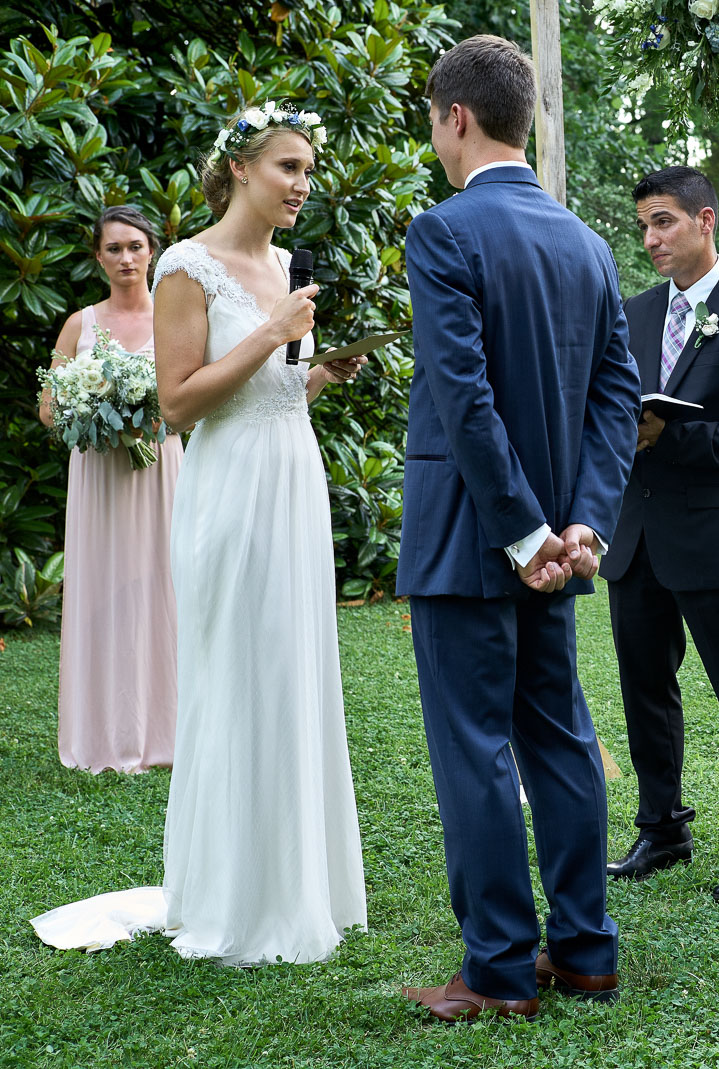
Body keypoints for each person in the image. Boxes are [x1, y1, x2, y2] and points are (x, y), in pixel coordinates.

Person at [397, 35, 639, 1023]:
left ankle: (497, 969)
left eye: (432, 119)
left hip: (471, 539)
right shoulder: (588, 243)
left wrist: (524, 532)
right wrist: (583, 523)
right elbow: (616, 397)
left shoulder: (442, 231)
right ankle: (585, 951)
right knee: (560, 737)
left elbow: (463, 399)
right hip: (558, 547)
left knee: (475, 749)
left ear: (456, 117)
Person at [149, 100, 368, 964]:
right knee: (238, 668)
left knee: (290, 666)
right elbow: (179, 404)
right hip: (229, 487)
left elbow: (272, 389)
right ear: (239, 168)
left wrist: (321, 374)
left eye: (309, 170)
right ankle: (232, 896)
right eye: (289, 167)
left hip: (293, 478)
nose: (302, 184)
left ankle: (297, 885)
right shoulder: (184, 266)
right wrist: (274, 331)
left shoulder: (286, 266)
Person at [598, 166, 719, 903]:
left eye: (664, 222)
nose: (651, 239)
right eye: (644, 225)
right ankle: (662, 828)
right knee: (644, 688)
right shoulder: (634, 312)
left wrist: (669, 437)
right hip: (636, 537)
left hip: (717, 539)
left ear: (705, 220)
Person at [38, 206, 183, 774]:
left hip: (160, 469)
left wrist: (151, 415)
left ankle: (169, 731)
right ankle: (101, 733)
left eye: (135, 246)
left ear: (152, 251)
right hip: (98, 475)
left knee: (164, 589)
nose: (126, 258)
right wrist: (92, 413)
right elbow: (48, 408)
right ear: (98, 257)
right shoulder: (80, 324)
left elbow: (195, 398)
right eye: (114, 248)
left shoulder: (175, 315)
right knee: (100, 592)